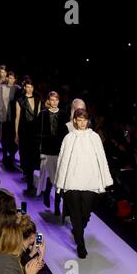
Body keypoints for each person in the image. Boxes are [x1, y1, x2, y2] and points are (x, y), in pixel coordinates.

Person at [54, 109, 113, 258]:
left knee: (85, 213)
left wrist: (105, 179)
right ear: (74, 121)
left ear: (88, 120)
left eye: (84, 120)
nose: (81, 123)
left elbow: (101, 158)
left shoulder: (94, 137)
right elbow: (63, 160)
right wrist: (60, 183)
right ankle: (81, 245)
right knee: (75, 214)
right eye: (79, 120)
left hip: (90, 181)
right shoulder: (69, 137)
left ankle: (78, 228)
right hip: (72, 181)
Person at [36, 91, 69, 215]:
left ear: (59, 101)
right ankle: (46, 193)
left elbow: (67, 133)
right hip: (46, 150)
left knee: (58, 178)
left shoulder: (63, 115)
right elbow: (37, 132)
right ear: (49, 101)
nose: (54, 102)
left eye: (56, 100)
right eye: (52, 100)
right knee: (50, 176)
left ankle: (56, 205)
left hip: (59, 151)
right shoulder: (43, 114)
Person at [15, 78, 41, 196]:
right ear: (24, 87)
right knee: (26, 158)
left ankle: (36, 185)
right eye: (28, 86)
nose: (30, 88)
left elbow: (40, 116)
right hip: (24, 132)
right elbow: (17, 118)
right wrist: (16, 134)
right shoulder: (20, 100)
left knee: (34, 159)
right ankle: (29, 184)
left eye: (31, 86)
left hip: (35, 133)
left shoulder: (37, 99)